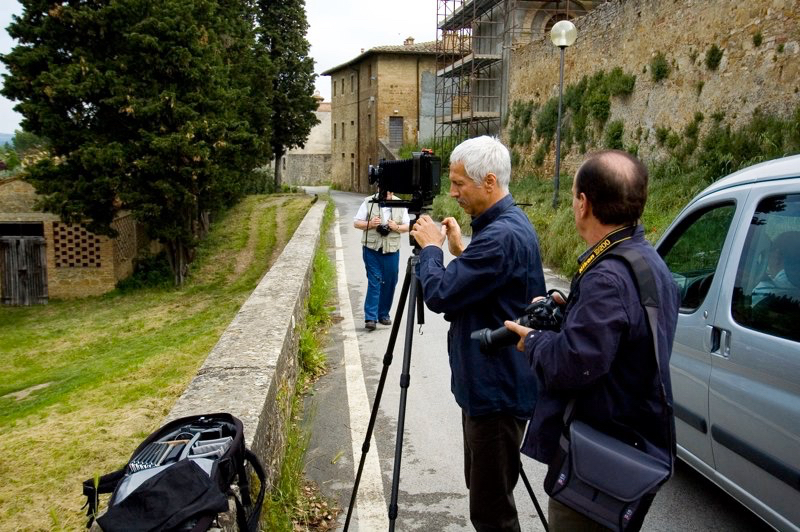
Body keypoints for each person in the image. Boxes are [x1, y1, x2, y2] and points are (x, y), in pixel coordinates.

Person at [505, 150, 680, 531]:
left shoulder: (607, 278)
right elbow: (627, 339)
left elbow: (574, 365)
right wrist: (571, 312)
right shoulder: (648, 262)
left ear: (583, 203)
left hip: (598, 459)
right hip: (630, 443)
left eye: (573, 195)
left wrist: (533, 340)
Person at [410, 135, 546, 531]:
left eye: (459, 184)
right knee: (488, 496)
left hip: (496, 393)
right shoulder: (506, 226)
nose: (452, 194)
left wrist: (432, 249)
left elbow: (440, 295)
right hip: (492, 387)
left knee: (491, 512)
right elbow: (484, 286)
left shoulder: (501, 236)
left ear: (488, 182)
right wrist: (460, 252)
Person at [354, 191, 410, 330]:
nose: (387, 194)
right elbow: (356, 223)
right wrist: (371, 224)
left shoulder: (400, 203)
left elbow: (408, 226)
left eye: (390, 191)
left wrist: (395, 227)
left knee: (390, 282)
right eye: (385, 191)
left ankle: (383, 314)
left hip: (391, 250)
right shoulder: (369, 201)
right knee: (375, 281)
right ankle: (370, 318)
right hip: (372, 249)